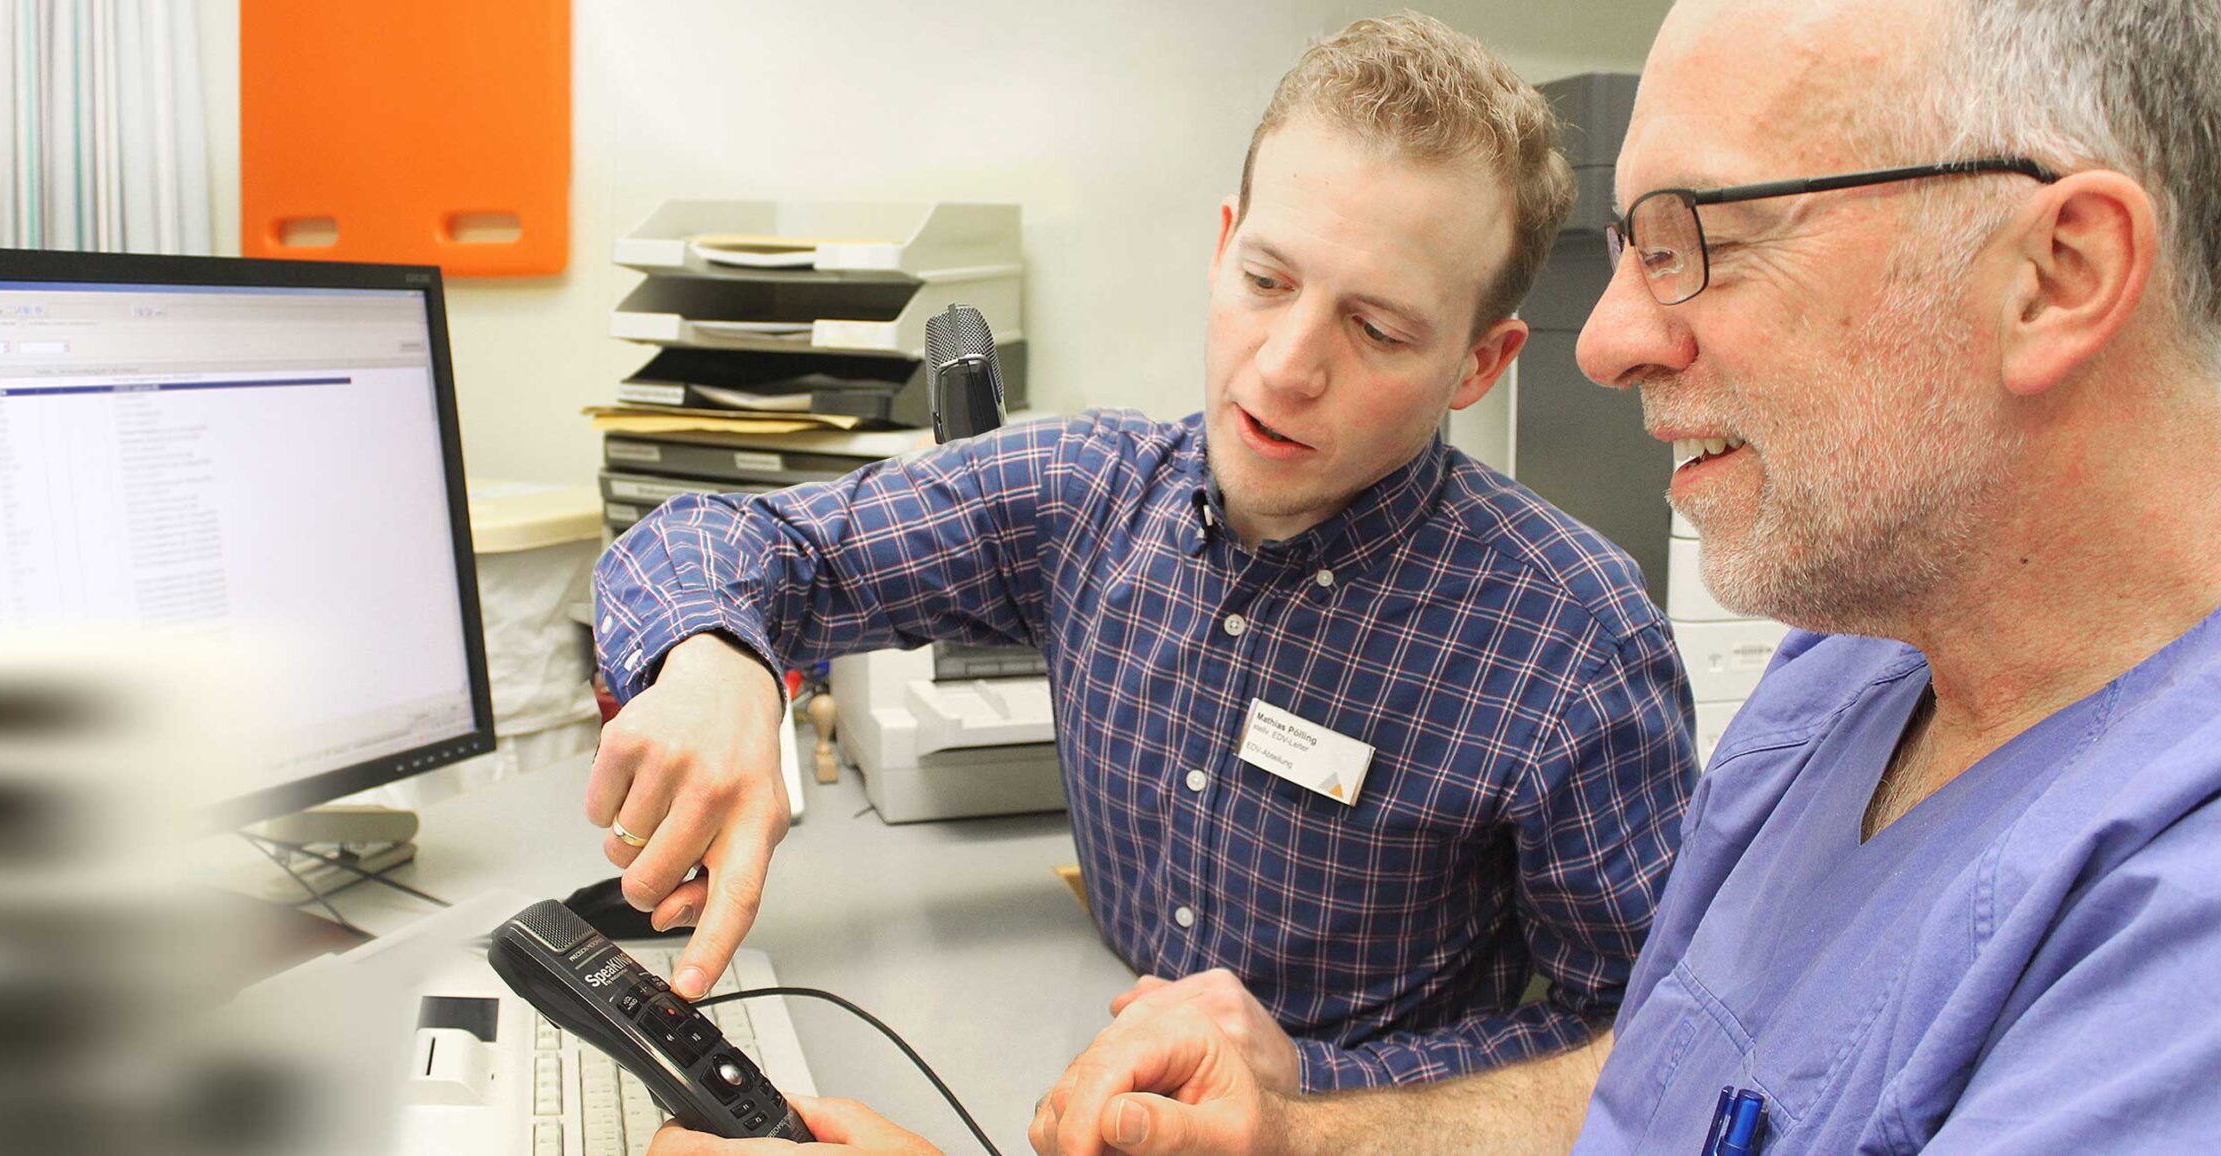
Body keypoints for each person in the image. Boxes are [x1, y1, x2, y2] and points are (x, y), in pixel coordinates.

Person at [977, 0, 2221, 1151]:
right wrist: (1298, 1122)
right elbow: (1651, 1080)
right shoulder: (1843, 674)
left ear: (2057, 272)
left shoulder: (2170, 973)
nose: (1612, 340)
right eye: (1628, 245)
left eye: (1702, 238)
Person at [589, 11, 1697, 1106]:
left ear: (1478, 363)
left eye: (1378, 329)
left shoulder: (1572, 644)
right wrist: (713, 657)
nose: (1285, 365)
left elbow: (1646, 1035)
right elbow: (718, 542)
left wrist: (1315, 1088)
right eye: (1266, 281)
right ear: (1224, 246)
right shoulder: (1085, 498)